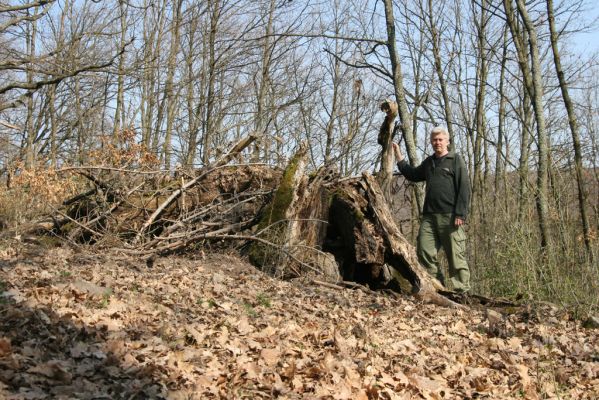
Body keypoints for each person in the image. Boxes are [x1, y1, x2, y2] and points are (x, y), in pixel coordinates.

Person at [392, 126, 471, 293]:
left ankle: (461, 291)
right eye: (434, 140)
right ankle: (438, 288)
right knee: (424, 251)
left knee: (456, 256)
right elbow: (413, 174)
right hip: (429, 216)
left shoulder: (455, 160)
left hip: (450, 216)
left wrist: (460, 213)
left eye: (440, 139)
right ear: (431, 142)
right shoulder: (429, 162)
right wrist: (398, 156)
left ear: (447, 141)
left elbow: (464, 188)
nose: (437, 142)